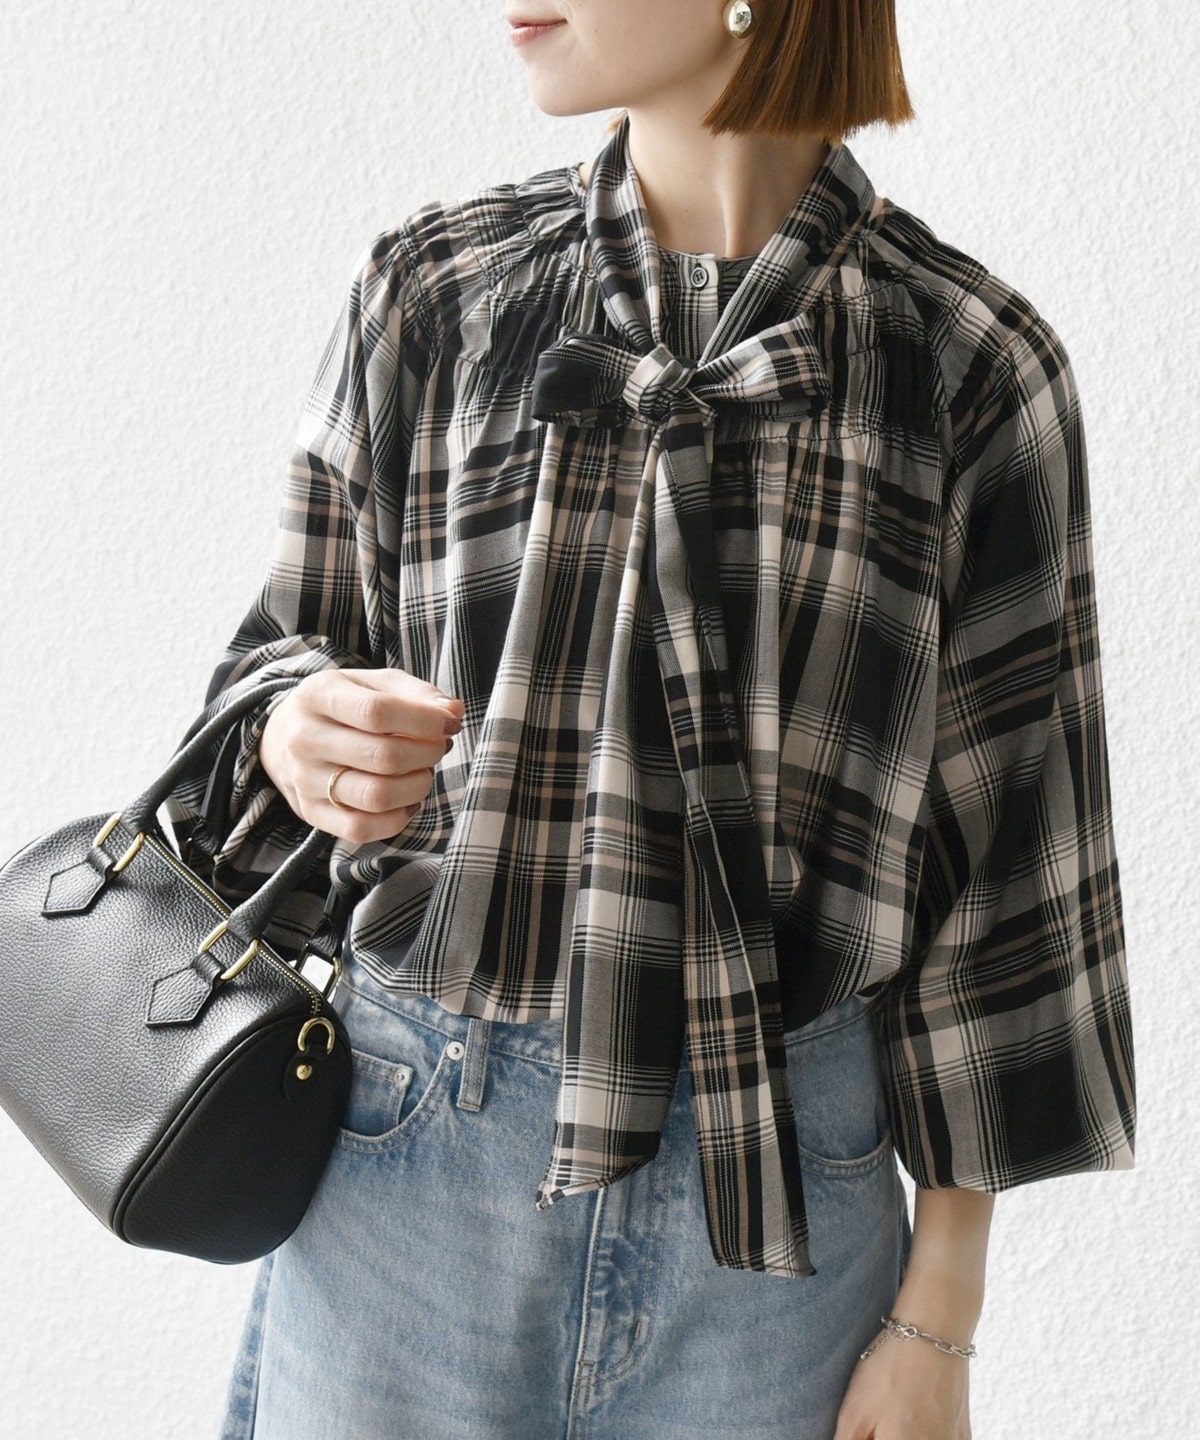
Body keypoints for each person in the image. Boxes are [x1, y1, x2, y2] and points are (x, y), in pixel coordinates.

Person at [164, 4, 1136, 1438]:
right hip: (414, 1174)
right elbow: (273, 665)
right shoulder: (440, 294)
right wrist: (295, 730)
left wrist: (941, 1316)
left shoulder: (967, 367)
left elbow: (1010, 882)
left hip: (781, 1217)